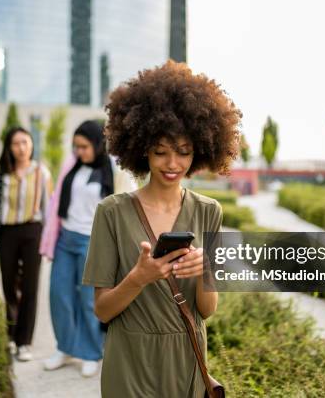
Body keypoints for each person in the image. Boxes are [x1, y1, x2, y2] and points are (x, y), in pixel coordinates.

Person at [81, 60, 242, 397]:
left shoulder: (209, 211)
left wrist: (204, 269)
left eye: (183, 152)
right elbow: (102, 309)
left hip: (187, 359)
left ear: (200, 150)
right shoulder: (111, 212)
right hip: (129, 362)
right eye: (161, 152)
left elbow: (207, 311)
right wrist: (139, 277)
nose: (173, 164)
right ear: (142, 149)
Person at [40, 120, 137, 378]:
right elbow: (57, 201)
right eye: (75, 146)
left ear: (97, 144)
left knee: (88, 300)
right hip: (65, 239)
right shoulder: (71, 166)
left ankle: (91, 352)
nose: (78, 151)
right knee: (59, 294)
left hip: (92, 242)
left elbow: (129, 205)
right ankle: (65, 347)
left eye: (83, 146)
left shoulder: (114, 172)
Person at [0, 126, 52, 362]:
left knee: (30, 287)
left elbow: (48, 208)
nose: (21, 148)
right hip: (6, 234)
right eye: (16, 143)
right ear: (9, 147)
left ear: (31, 144)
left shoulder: (41, 172)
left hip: (32, 232)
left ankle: (24, 342)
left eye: (25, 142)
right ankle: (10, 333)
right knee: (9, 285)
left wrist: (50, 241)